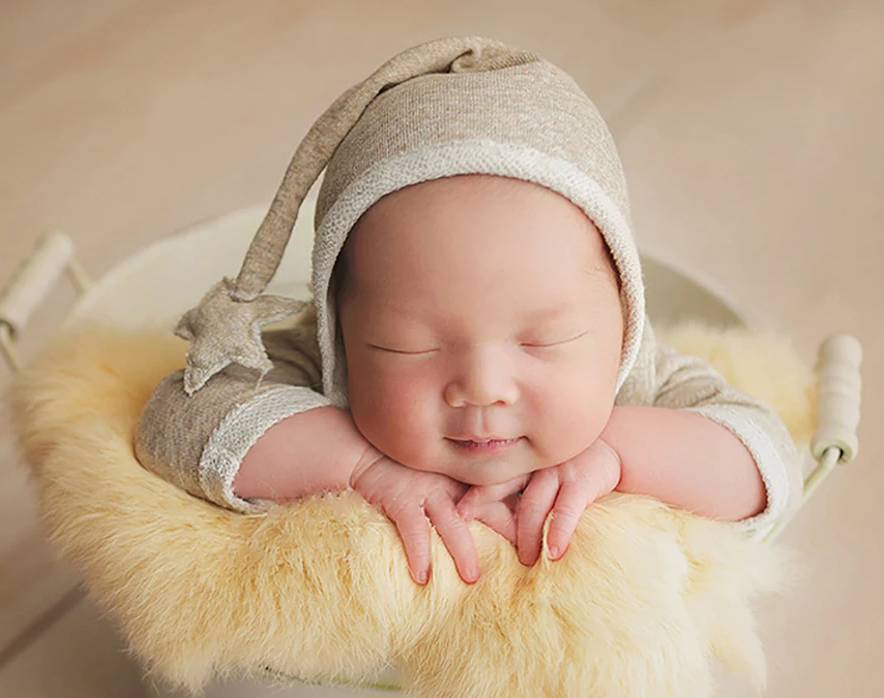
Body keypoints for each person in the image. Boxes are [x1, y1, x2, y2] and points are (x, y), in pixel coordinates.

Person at [135, 36, 803, 587]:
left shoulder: (639, 384)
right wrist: (360, 467)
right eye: (408, 346)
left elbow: (769, 463)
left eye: (544, 340)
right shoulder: (316, 369)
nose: (482, 386)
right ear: (340, 326)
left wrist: (617, 454)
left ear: (623, 317)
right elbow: (176, 418)